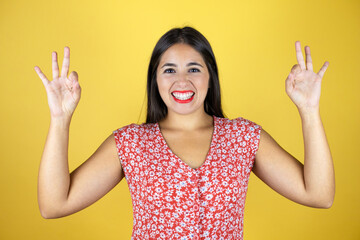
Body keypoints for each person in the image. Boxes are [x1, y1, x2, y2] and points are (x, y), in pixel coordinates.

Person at [35, 26, 335, 239]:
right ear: (155, 80)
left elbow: (319, 195)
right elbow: (54, 205)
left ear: (209, 76)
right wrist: (60, 119)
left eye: (194, 69)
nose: (181, 80)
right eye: (169, 70)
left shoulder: (244, 137)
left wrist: (309, 111)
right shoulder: (130, 143)